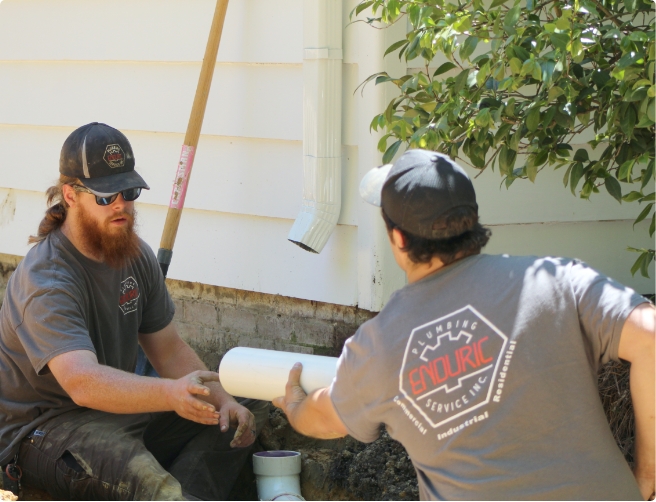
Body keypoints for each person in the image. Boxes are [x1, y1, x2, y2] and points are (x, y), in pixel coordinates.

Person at [273, 149, 655, 500]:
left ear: (399, 238)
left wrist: (294, 407)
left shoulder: (380, 345)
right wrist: (647, 475)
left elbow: (326, 416)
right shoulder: (557, 280)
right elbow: (650, 337)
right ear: (471, 221)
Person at [0, 122, 268, 500]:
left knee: (240, 406)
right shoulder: (46, 279)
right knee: (140, 474)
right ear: (70, 195)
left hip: (114, 411)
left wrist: (223, 400)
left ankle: (184, 494)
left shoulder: (134, 254)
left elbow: (170, 351)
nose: (122, 204)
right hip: (46, 430)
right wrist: (170, 394)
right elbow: (82, 382)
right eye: (107, 196)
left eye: (129, 191)